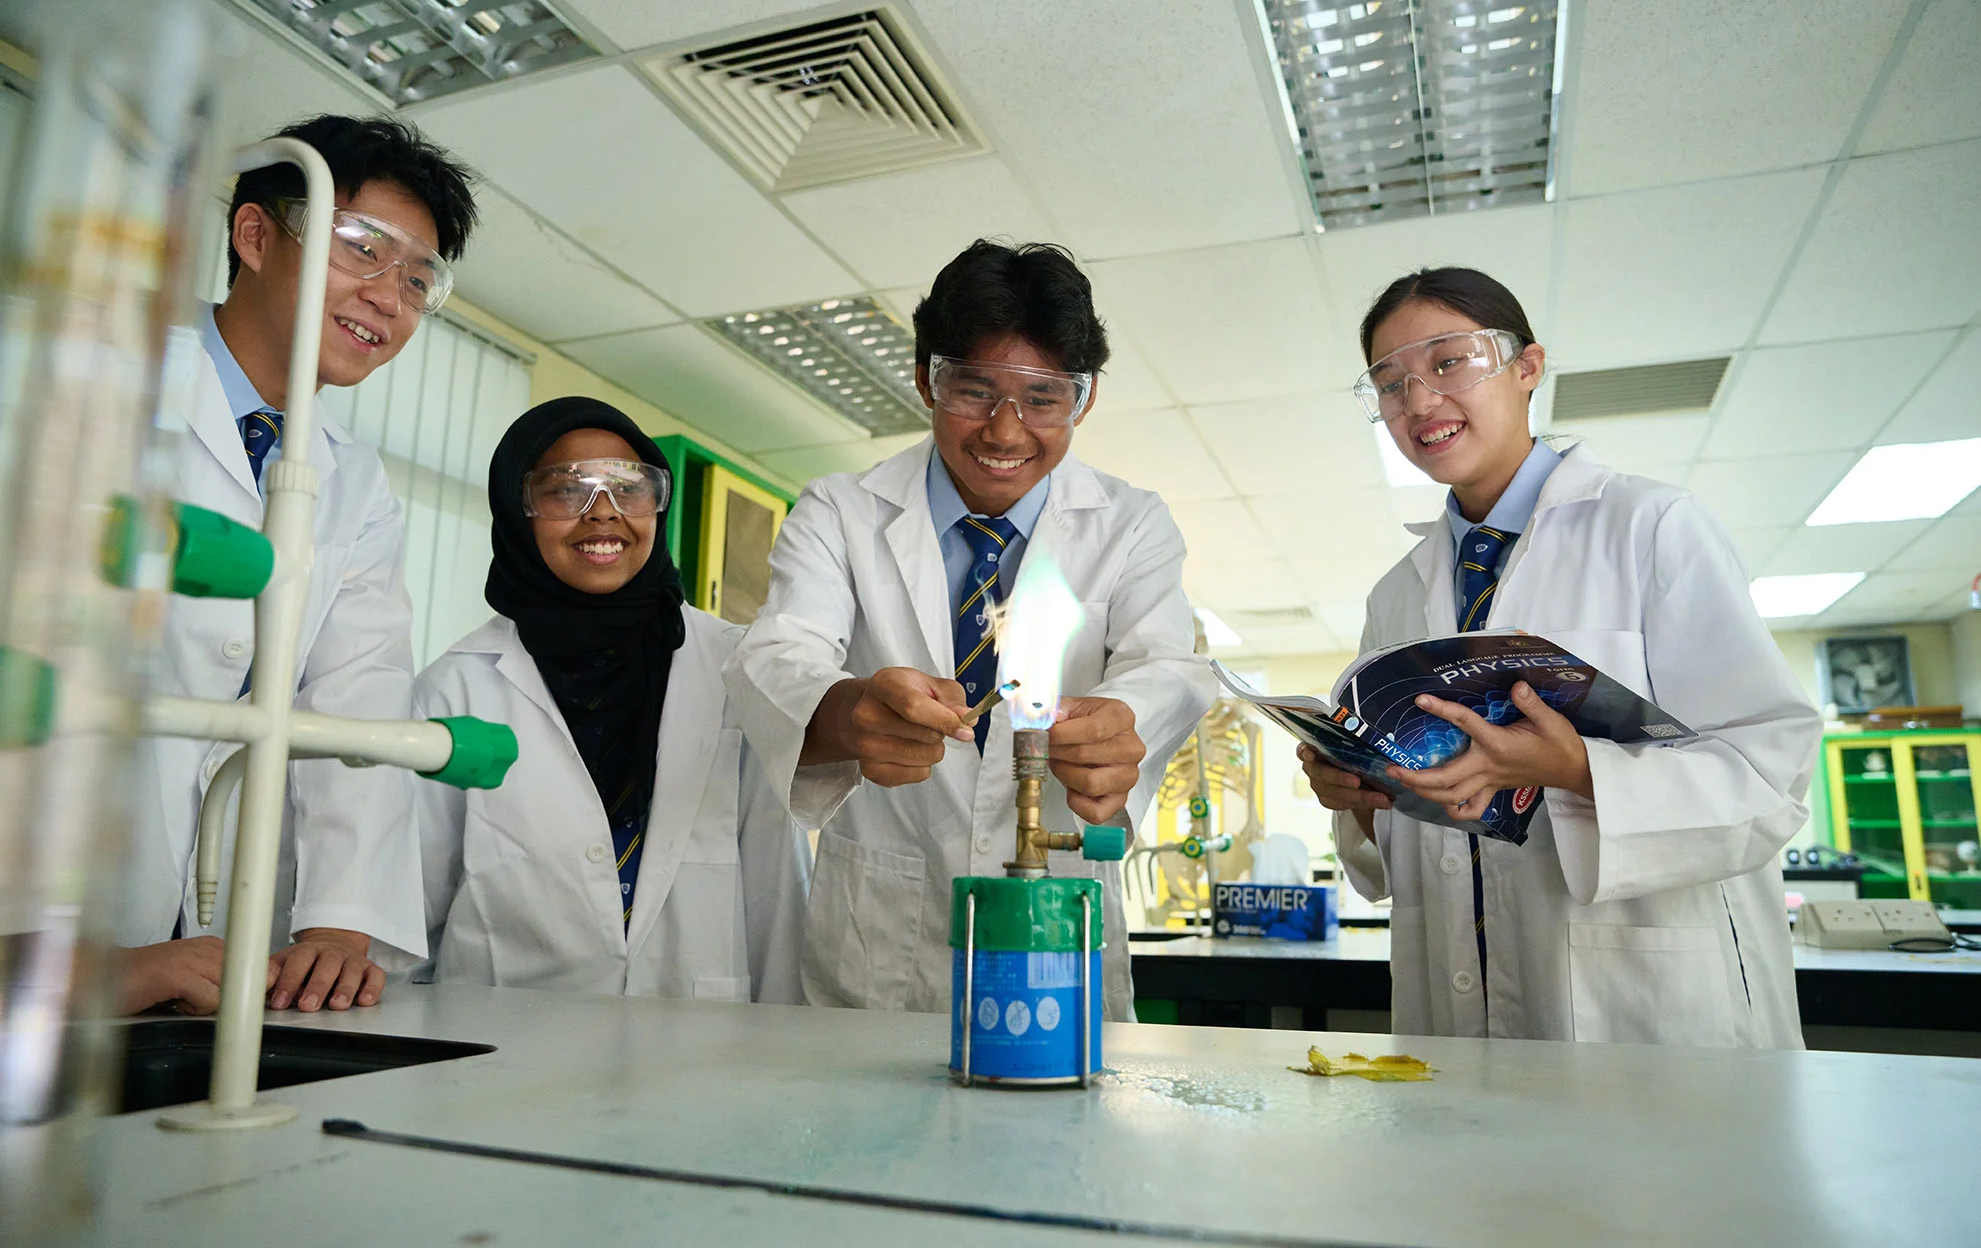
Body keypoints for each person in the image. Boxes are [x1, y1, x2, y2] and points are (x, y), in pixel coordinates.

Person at [1303, 267, 1819, 1048]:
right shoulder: (1394, 596)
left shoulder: (1651, 526)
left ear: (1527, 367)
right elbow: (1416, 834)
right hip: (1455, 1001)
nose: (1416, 400)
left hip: (1644, 1012)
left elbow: (1769, 772)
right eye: (1389, 380)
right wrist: (1360, 792)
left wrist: (1576, 768)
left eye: (1448, 361)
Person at [724, 239, 1215, 1019]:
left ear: (1082, 401)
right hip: (879, 941)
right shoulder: (840, 513)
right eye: (974, 390)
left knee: (1059, 1129)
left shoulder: (1130, 523)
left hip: (1059, 920)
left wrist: (1125, 721)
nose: (1005, 430)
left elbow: (1169, 665)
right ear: (926, 378)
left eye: (1044, 398)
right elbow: (779, 653)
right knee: (875, 1135)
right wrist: (848, 713)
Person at [117, 115, 478, 1016]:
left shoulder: (353, 481)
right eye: (364, 249)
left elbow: (357, 698)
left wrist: (339, 925)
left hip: (197, 939)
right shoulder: (88, 375)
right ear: (254, 237)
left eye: (419, 277)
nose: (390, 298)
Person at [410, 399, 808, 1001]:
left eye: (629, 487)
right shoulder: (457, 686)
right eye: (567, 491)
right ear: (516, 510)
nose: (604, 515)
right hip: (503, 1046)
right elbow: (410, 907)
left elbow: (778, 890)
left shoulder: (737, 667)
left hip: (701, 1049)